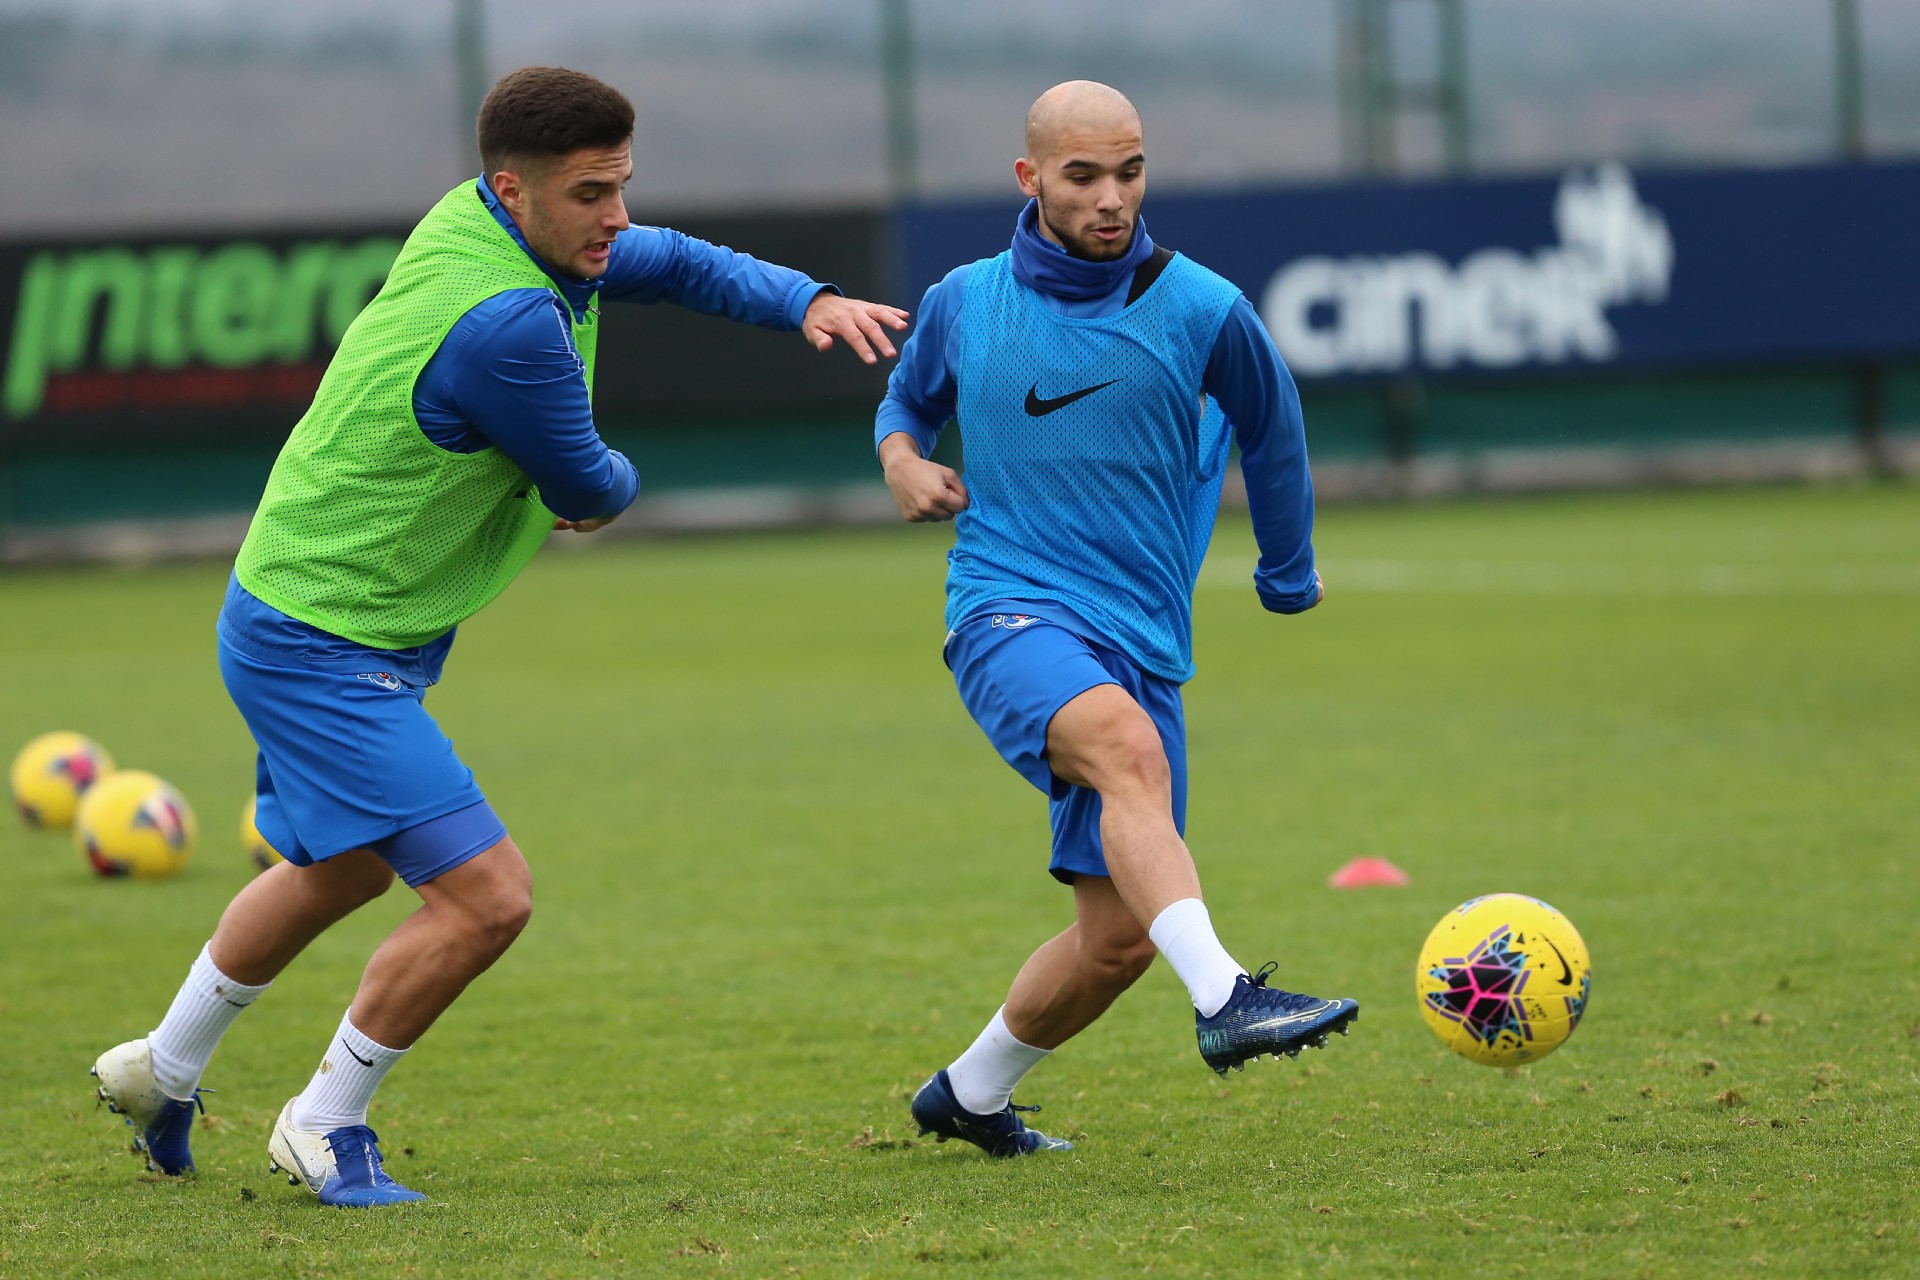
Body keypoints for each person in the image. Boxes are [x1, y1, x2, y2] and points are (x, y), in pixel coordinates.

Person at [91, 65, 908, 1206]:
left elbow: (666, 259)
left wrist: (802, 299)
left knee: (341, 867)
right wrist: (599, 481)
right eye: (590, 195)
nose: (613, 217)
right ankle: (323, 1122)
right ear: (514, 189)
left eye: (621, 186)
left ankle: (157, 1068)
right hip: (320, 639)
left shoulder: (477, 218)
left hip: (314, 607)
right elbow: (591, 483)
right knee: (488, 895)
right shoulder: (509, 321)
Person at [874, 81, 1357, 1158]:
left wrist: (1288, 572)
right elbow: (906, 401)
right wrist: (903, 460)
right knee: (1125, 754)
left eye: (1129, 171)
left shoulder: (1203, 307)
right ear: (1030, 177)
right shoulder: (966, 297)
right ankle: (1230, 995)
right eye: (1083, 174)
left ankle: (969, 1092)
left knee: (1118, 939)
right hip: (1007, 610)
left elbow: (1274, 432)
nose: (1110, 197)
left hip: (1142, 637)